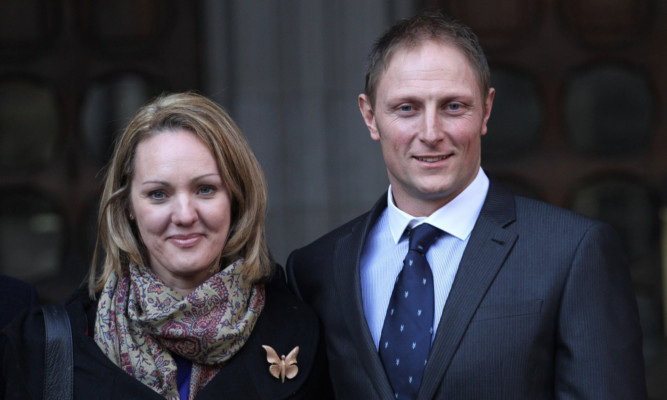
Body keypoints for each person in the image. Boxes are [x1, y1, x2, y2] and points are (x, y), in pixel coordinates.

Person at [286, 12, 647, 399]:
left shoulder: (574, 251)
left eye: (453, 106)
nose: (431, 133)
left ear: (486, 110)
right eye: (406, 108)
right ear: (370, 116)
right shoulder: (315, 269)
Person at [2, 92, 331, 399]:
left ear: (236, 196)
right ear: (128, 206)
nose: (185, 215)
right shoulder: (47, 347)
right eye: (158, 194)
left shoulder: (301, 331)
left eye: (205, 189)